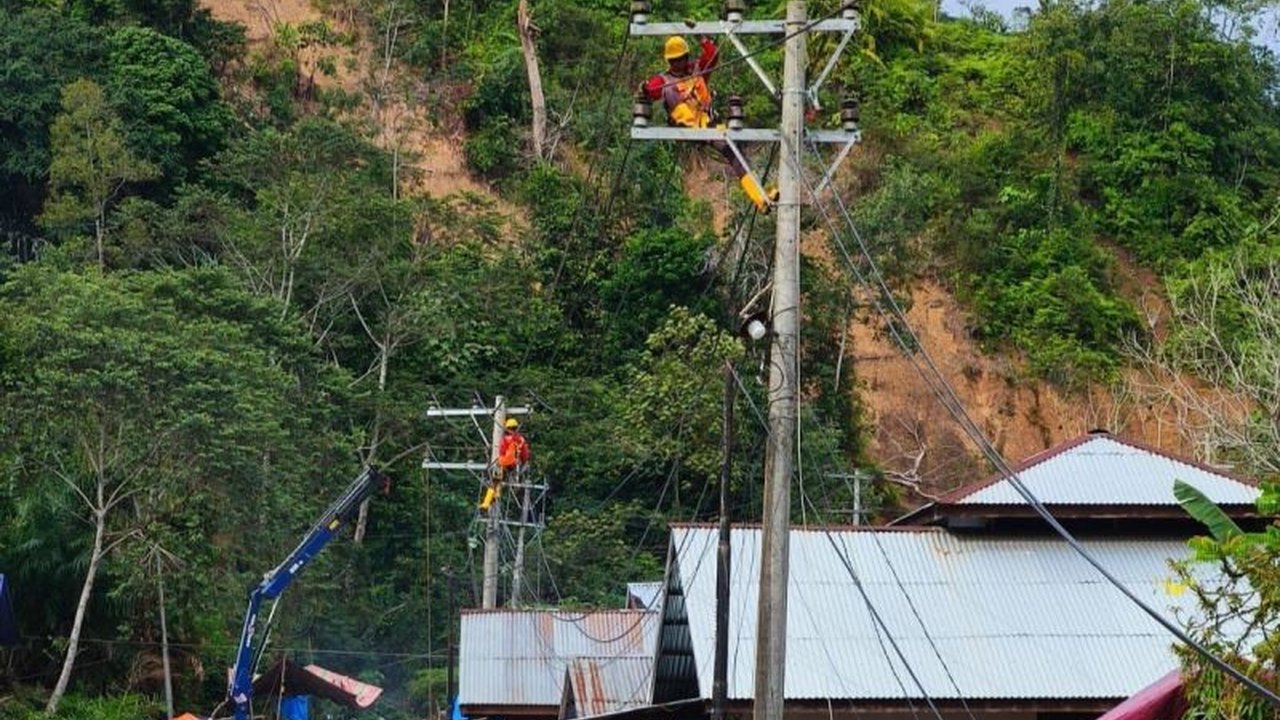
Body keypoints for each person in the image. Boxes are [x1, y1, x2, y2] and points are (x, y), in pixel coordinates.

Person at [641, 35, 778, 213]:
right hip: (687, 129)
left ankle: (761, 198)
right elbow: (651, 90)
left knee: (735, 153)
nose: (679, 63)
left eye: (682, 59)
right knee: (732, 151)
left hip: (709, 125)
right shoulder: (664, 81)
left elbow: (712, 55)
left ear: (687, 57)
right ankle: (761, 197)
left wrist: (702, 39)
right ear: (669, 61)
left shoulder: (698, 72)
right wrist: (645, 88)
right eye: (675, 60)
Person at [480, 418, 530, 511]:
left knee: (493, 481)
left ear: (507, 428)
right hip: (514, 465)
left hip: (502, 464)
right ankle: (496, 495)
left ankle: (486, 503)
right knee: (501, 479)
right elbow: (525, 455)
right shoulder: (521, 440)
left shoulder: (506, 439)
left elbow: (501, 451)